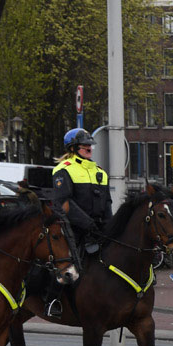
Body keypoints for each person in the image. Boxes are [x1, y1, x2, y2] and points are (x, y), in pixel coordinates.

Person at [45, 127, 110, 315]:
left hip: (97, 228)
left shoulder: (100, 172)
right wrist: (87, 223)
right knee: (68, 261)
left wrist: (110, 227)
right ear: (73, 148)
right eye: (84, 145)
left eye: (90, 144)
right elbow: (64, 202)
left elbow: (107, 204)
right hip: (72, 227)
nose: (89, 147)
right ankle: (52, 300)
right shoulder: (63, 169)